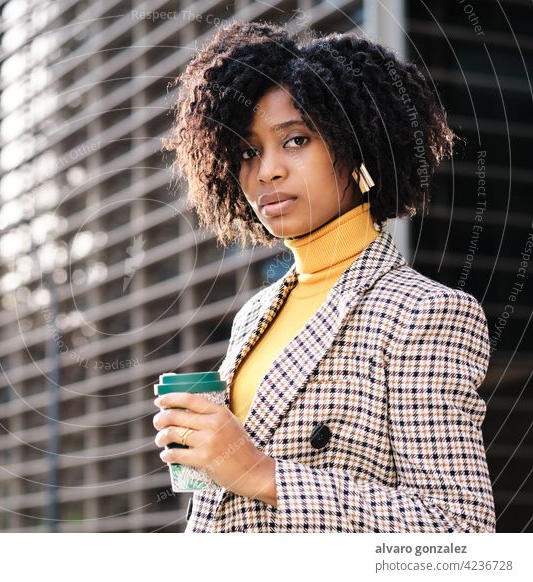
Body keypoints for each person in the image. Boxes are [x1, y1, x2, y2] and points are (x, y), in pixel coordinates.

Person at [153, 20, 494, 532]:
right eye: (248, 151)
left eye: (295, 140)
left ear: (358, 148)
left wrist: (261, 473)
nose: (266, 170)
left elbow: (459, 533)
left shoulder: (425, 314)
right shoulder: (254, 316)